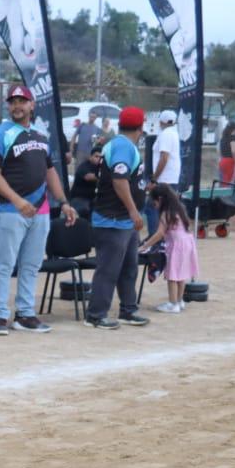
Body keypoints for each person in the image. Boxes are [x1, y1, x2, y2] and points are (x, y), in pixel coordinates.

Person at [0, 84, 77, 335]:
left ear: (31, 105)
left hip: (41, 210)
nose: (17, 106)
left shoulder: (39, 136)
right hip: (9, 210)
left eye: (22, 101)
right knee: (5, 264)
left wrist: (64, 202)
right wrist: (17, 200)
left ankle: (25, 314)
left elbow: (50, 172)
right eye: (13, 101)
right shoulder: (0, 134)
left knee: (31, 264)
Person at [86, 106, 151, 330]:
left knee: (128, 267)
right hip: (113, 218)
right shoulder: (123, 146)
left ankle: (128, 309)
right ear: (141, 128)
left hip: (124, 220)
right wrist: (134, 210)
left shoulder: (120, 144)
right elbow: (119, 180)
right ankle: (95, 315)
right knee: (109, 268)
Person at [139, 185, 198, 313]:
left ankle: (172, 304)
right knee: (181, 275)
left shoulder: (166, 213)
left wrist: (144, 246)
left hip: (177, 246)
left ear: (160, 199)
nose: (153, 205)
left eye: (153, 201)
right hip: (187, 243)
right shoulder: (179, 208)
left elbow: (159, 233)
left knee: (172, 276)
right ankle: (179, 301)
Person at [151, 110, 182, 191]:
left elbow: (164, 158)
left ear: (161, 122)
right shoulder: (173, 132)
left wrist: (154, 179)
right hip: (169, 179)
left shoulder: (166, 134)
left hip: (164, 180)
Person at [70, 140, 105, 211]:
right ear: (90, 157)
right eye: (96, 156)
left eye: (100, 157)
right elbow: (88, 177)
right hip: (79, 198)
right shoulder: (84, 166)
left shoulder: (101, 167)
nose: (98, 159)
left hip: (92, 198)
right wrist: (105, 176)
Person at [217, 121, 235, 185]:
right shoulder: (234, 138)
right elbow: (234, 151)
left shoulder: (223, 138)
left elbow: (219, 151)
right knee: (231, 183)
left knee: (223, 182)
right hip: (231, 162)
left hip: (223, 161)